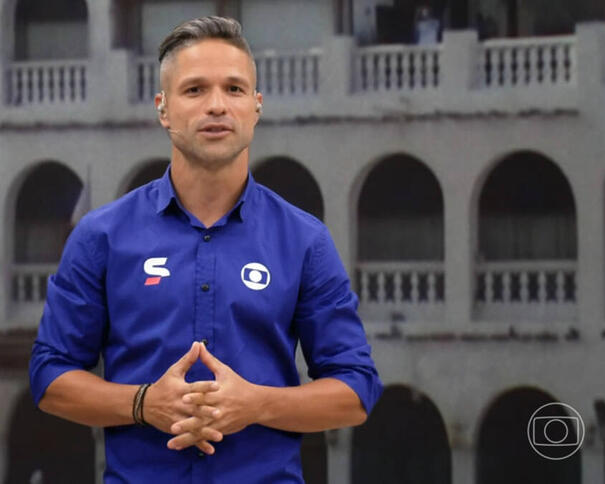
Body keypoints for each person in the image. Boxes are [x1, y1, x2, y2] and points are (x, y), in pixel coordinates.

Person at [29, 16, 383, 483]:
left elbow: (356, 391)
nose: (217, 106)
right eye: (195, 90)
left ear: (256, 106)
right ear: (163, 108)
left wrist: (257, 404)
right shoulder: (102, 237)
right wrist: (142, 403)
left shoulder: (304, 240)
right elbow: (50, 376)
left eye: (234, 90)